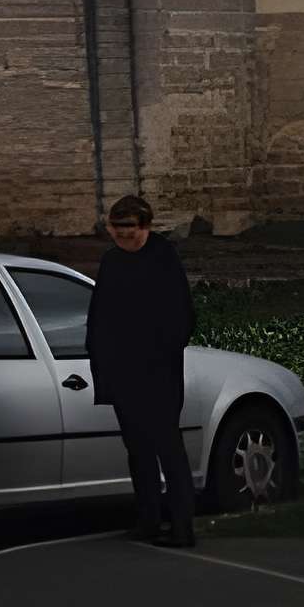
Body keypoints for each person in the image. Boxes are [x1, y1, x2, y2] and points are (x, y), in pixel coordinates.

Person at [83, 192, 197, 547]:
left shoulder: (163, 259)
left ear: (144, 226)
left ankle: (181, 527)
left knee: (168, 448)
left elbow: (182, 317)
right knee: (138, 451)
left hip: (158, 374)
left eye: (129, 229)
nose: (123, 236)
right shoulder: (113, 262)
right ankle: (148, 520)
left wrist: (157, 351)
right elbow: (100, 316)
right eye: (117, 230)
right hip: (124, 374)